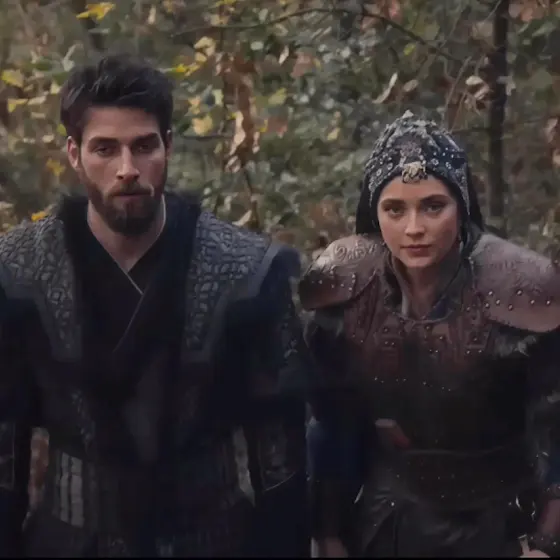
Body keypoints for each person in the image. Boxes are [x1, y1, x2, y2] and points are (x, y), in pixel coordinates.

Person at [0, 53, 310, 557]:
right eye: (105, 149)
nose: (127, 169)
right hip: (67, 541)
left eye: (143, 146)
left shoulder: (245, 272)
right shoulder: (19, 271)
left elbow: (280, 455)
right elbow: (4, 446)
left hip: (214, 539)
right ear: (74, 154)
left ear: (168, 146)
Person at [299, 112, 560, 557]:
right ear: (374, 211)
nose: (414, 228)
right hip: (389, 517)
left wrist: (546, 541)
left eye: (433, 206)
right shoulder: (348, 289)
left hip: (501, 516)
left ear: (461, 205)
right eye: (395, 209)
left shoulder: (521, 290)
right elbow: (335, 423)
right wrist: (327, 531)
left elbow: (555, 430)